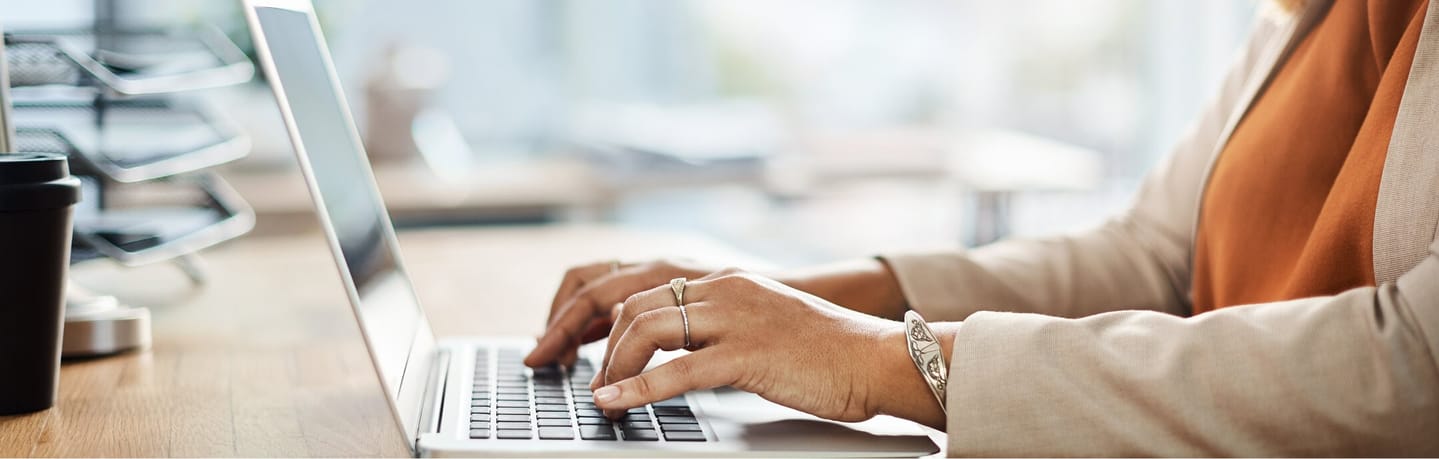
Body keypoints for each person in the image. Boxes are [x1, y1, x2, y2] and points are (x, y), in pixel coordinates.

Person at [525, 0, 1439, 455]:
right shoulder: (1307, 16)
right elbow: (1153, 257)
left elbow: (1415, 368)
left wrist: (883, 361)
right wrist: (779, 300)